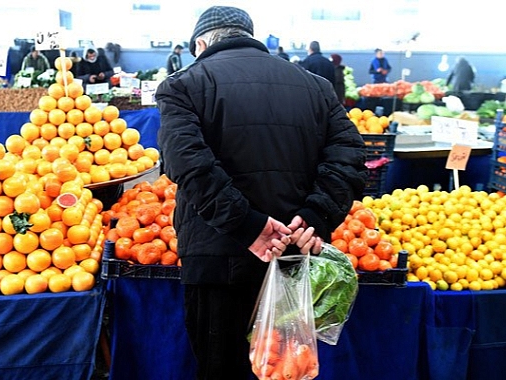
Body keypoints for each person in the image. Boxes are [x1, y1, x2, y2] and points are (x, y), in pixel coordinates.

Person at [155, 5, 367, 379]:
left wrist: (247, 225)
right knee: (285, 367)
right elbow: (349, 156)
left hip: (217, 259)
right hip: (294, 258)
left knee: (220, 365)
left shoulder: (183, 84)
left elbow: (187, 164)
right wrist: (316, 217)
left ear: (201, 43)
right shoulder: (315, 86)